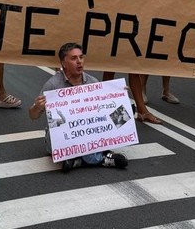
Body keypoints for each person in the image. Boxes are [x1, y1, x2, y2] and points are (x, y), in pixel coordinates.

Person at [29, 42, 128, 172]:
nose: (79, 62)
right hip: (62, 136)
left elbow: (107, 113)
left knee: (93, 135)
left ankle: (76, 161)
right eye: (74, 58)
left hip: (87, 132)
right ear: (64, 63)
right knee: (61, 144)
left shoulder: (93, 82)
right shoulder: (53, 85)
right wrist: (37, 106)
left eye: (81, 57)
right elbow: (33, 116)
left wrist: (119, 98)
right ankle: (102, 158)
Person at [145, 0, 181, 105]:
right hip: (150, 16)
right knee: (147, 56)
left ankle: (166, 91)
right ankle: (142, 91)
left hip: (168, 17)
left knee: (167, 57)